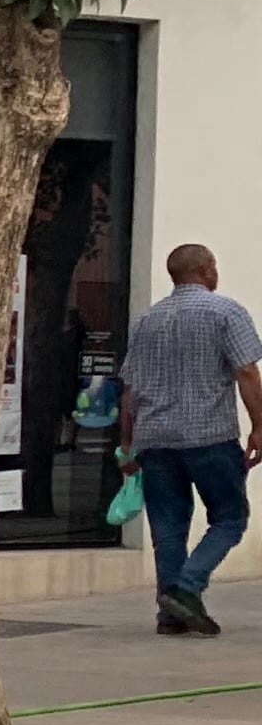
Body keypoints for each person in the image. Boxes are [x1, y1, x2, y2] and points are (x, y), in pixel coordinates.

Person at [119, 242, 262, 632]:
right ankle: (186, 588)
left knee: (167, 528)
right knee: (230, 518)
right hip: (208, 436)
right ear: (207, 270)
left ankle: (171, 616)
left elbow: (129, 391)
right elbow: (247, 372)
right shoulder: (226, 312)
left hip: (154, 440)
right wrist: (260, 426)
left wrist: (126, 446)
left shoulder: (146, 321)